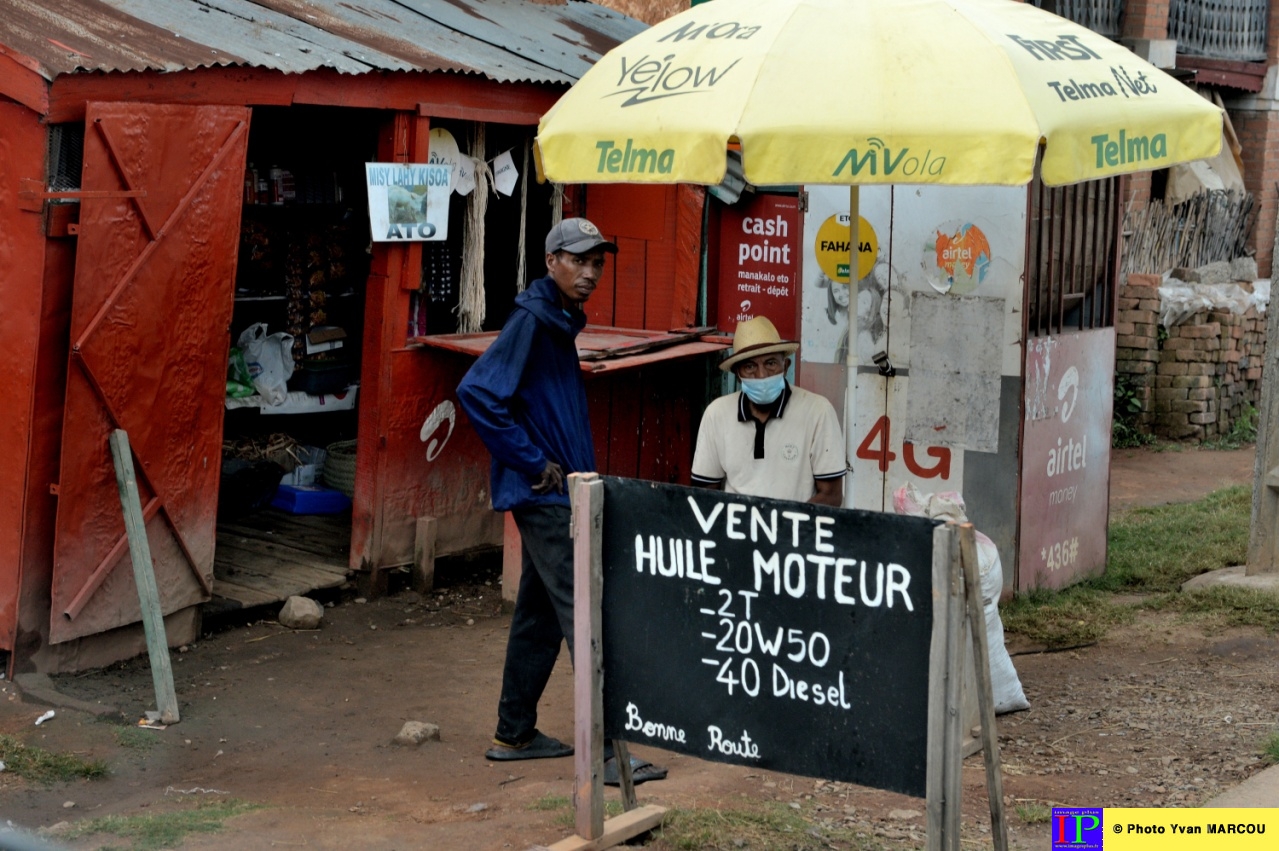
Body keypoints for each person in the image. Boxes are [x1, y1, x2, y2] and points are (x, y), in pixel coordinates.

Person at [456, 217, 667, 785]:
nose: (590, 272)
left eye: (597, 262)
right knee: (588, 613)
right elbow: (476, 392)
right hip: (545, 494)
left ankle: (514, 732)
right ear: (551, 261)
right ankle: (605, 756)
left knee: (540, 615)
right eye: (578, 260)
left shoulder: (555, 319)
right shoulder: (532, 318)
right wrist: (531, 461)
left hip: (558, 491)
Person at [691, 316, 846, 505]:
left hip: (795, 530)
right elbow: (704, 494)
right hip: (737, 530)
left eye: (771, 363)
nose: (762, 375)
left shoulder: (818, 412)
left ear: (785, 366)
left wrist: (782, 528)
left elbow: (831, 496)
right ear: (738, 375)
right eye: (750, 366)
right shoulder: (716, 414)